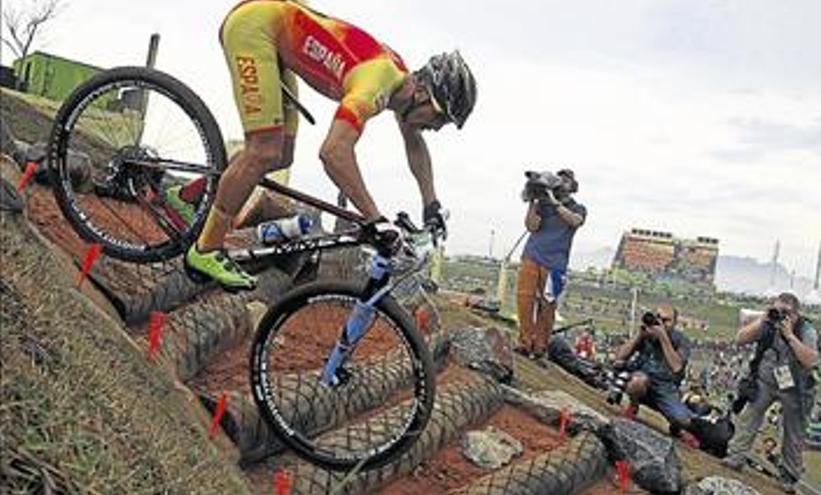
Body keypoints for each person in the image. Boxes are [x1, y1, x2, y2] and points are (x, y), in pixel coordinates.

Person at [167, 0, 477, 289]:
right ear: (424, 95)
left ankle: (187, 195)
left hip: (273, 33)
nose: (437, 128)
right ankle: (205, 249)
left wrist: (431, 205)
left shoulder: (400, 87)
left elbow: (415, 146)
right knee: (264, 150)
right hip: (255, 28)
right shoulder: (375, 86)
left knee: (281, 155)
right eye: (441, 118)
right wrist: (375, 219)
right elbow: (333, 153)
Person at [722, 293, 820, 494]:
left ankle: (790, 478)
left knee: (793, 432)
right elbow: (740, 339)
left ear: (796, 314)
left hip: (796, 387)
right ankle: (735, 457)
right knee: (749, 416)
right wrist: (763, 320)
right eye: (778, 310)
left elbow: (811, 360)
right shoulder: (767, 323)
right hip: (765, 380)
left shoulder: (806, 330)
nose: (781, 316)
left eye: (786, 313)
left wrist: (790, 335)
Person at [514, 169, 586, 366]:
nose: (562, 181)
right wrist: (533, 201)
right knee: (524, 300)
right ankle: (524, 342)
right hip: (532, 255)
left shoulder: (578, 207)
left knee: (547, 307)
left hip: (555, 264)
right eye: (559, 177)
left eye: (567, 179)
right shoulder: (542, 202)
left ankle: (540, 347)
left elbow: (575, 221)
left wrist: (556, 203)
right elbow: (531, 226)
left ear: (573, 186)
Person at [612, 304, 699, 446]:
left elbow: (676, 367)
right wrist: (639, 335)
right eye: (658, 318)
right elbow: (619, 357)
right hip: (643, 379)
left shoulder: (681, 340)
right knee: (637, 382)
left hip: (666, 388)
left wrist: (663, 337)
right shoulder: (647, 335)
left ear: (675, 323)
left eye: (666, 320)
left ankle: (676, 427)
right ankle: (633, 406)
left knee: (684, 420)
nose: (660, 323)